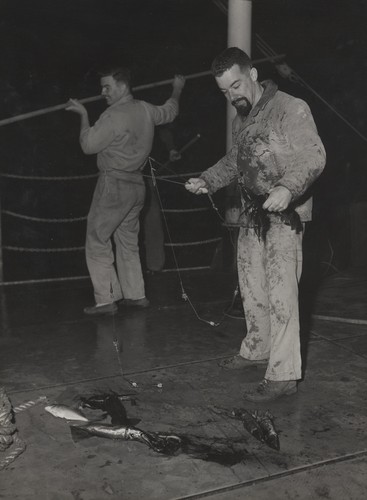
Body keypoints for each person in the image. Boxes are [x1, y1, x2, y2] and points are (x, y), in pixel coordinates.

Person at [185, 47, 326, 402]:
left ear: (251, 74)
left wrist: (287, 187)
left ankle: (283, 375)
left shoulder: (290, 108)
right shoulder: (242, 120)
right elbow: (236, 160)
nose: (232, 96)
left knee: (281, 294)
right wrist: (208, 180)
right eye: (224, 91)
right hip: (253, 216)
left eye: (236, 86)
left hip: (285, 215)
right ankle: (256, 349)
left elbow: (314, 155)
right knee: (252, 287)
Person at [66, 66, 185, 315]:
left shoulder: (112, 116)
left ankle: (106, 300)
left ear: (122, 87)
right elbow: (171, 111)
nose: (102, 92)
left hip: (113, 185)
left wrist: (83, 114)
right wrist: (177, 88)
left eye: (107, 87)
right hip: (137, 186)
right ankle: (135, 295)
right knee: (128, 241)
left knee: (97, 239)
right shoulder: (145, 108)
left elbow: (88, 145)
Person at [142, 124, 182, 274]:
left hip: (145, 177)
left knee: (152, 220)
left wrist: (171, 149)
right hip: (128, 174)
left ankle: (154, 266)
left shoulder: (151, 117)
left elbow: (162, 127)